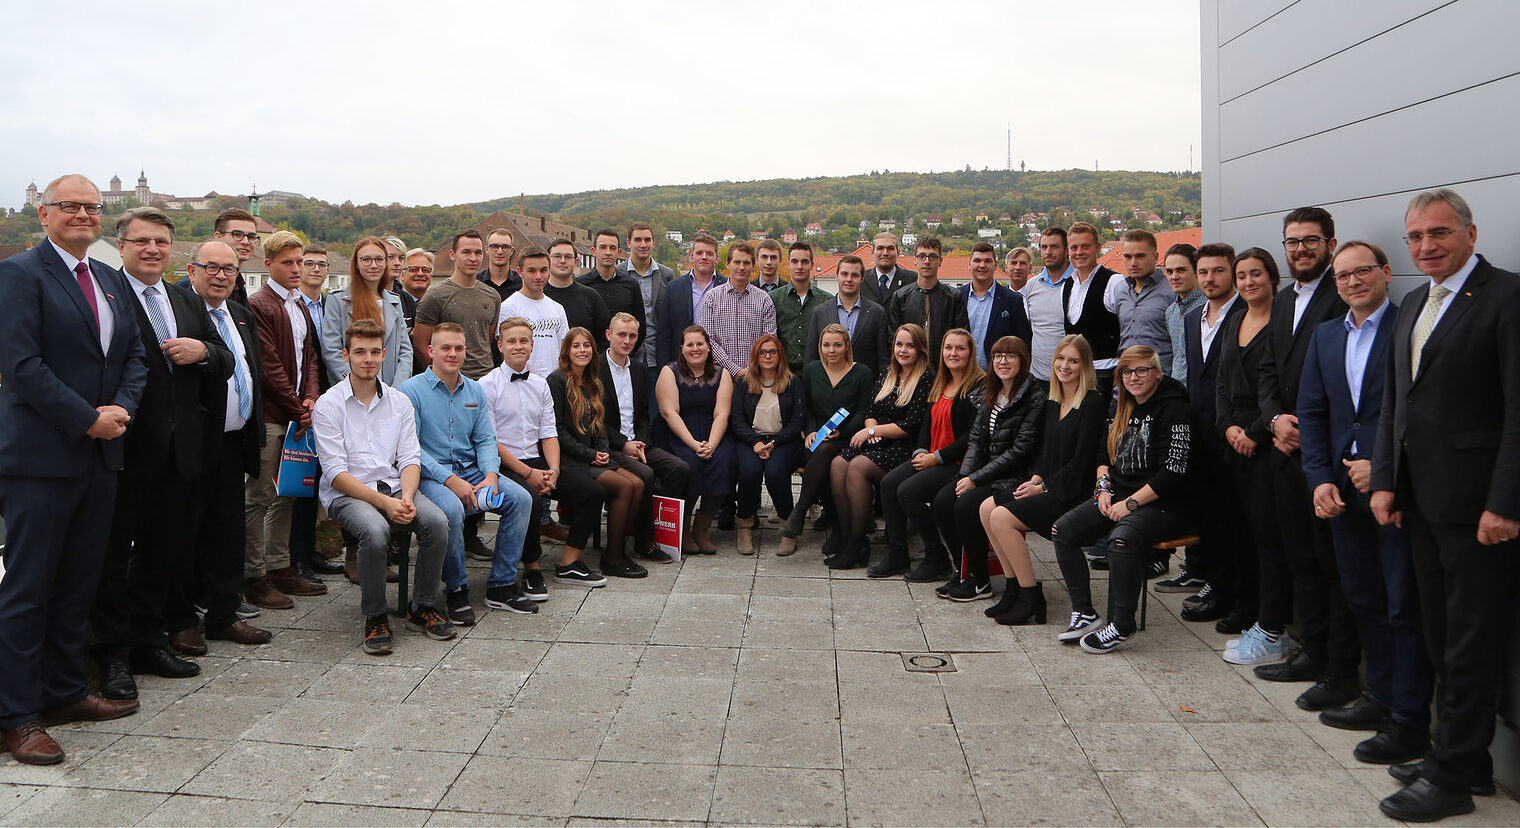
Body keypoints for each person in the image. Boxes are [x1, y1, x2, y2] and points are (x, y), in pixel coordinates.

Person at [1372, 189, 1520, 822]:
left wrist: (1506, 502)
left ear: (1470, 232)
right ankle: (1466, 755)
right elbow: (1395, 403)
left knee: (1470, 641)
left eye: (1438, 233)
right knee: (1438, 633)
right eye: (1415, 237)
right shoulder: (1412, 303)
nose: (1426, 246)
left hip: (1479, 510)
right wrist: (1386, 481)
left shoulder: (1508, 298)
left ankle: (1454, 777)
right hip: (1421, 502)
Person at [0, 175, 147, 765]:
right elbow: (20, 365)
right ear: (44, 214)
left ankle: (62, 692)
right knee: (29, 588)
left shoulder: (110, 279)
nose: (84, 214)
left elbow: (134, 355)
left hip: (100, 457)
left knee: (77, 584)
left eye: (91, 206)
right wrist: (87, 417)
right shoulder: (19, 275)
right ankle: (16, 715)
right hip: (41, 459)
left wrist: (123, 410)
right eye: (71, 206)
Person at [1298, 241, 1432, 768]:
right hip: (1339, 492)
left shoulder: (1409, 328)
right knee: (1364, 600)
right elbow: (1313, 412)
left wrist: (1385, 466)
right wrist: (1317, 479)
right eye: (1343, 276)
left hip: (1393, 491)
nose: (1353, 282)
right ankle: (1379, 697)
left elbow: (1420, 413)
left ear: (1385, 273)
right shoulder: (1327, 335)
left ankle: (1409, 717)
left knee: (1404, 606)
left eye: (1363, 272)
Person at [91, 207, 232, 700]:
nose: (152, 249)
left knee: (161, 551)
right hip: (124, 448)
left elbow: (224, 356)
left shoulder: (183, 299)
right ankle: (110, 653)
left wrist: (204, 353)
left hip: (180, 450)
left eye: (161, 242)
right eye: (142, 241)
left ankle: (149, 639)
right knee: (114, 555)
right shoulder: (105, 297)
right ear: (122, 245)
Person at [1253, 207, 1358, 707]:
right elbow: (1268, 370)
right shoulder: (1282, 300)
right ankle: (1311, 652)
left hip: (1327, 456)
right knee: (1301, 560)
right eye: (1292, 242)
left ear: (1330, 245)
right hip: (1284, 450)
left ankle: (1341, 670)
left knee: (1333, 564)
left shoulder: (1345, 298)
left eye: (1310, 241)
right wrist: (1275, 420)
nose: (1299, 250)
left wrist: (1305, 427)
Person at [313, 320, 455, 656]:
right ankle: (375, 616)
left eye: (374, 352)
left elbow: (409, 458)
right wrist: (385, 504)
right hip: (347, 493)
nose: (368, 359)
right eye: (360, 352)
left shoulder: (399, 402)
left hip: (394, 486)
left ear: (384, 354)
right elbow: (335, 473)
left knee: (436, 521)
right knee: (375, 530)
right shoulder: (329, 404)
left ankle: (421, 606)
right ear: (346, 355)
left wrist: (405, 497)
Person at [1051, 346, 1195, 654]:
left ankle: (1121, 624)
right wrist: (1103, 490)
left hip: (1166, 503)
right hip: (1117, 496)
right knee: (1063, 530)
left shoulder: (1175, 410)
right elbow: (1103, 456)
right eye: (1127, 372)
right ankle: (1085, 613)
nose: (1134, 377)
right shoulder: (1123, 407)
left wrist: (1130, 504)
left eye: (1142, 370)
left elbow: (1174, 473)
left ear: (1157, 373)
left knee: (1121, 541)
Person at [400, 323, 535, 622]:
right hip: (431, 476)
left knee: (521, 500)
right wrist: (451, 481)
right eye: (446, 348)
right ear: (431, 351)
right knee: (451, 510)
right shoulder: (409, 392)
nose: (453, 354)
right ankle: (456, 588)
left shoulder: (474, 390)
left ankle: (500, 585)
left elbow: (485, 438)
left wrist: (490, 474)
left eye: (459, 348)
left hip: (472, 471)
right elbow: (411, 449)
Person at [175, 241, 273, 652]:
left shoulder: (240, 315)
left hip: (234, 442)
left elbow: (252, 374)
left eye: (229, 269)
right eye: (211, 267)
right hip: (193, 443)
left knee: (226, 533)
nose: (220, 276)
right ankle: (180, 621)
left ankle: (223, 614)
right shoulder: (177, 311)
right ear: (191, 269)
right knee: (183, 533)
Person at [983, 335, 1105, 625]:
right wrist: (1036, 477)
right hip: (1047, 484)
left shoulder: (1092, 404)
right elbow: (1043, 452)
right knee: (986, 508)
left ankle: (1030, 596)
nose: (1065, 366)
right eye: (1061, 359)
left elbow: (1082, 462)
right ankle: (1013, 588)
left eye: (1073, 360)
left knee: (1002, 518)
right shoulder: (1053, 401)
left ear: (1084, 365)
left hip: (1072, 492)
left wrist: (1043, 487)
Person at [1165, 243, 1245, 625]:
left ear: (1232, 273)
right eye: (1205, 272)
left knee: (1236, 519)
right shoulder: (1192, 316)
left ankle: (1239, 597)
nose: (1210, 278)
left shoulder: (1246, 315)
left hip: (1233, 434)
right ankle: (1217, 585)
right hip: (1200, 431)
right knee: (1209, 516)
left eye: (1219, 271)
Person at [244, 230, 325, 609]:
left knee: (289, 493)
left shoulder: (300, 305)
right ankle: (253, 575)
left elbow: (309, 357)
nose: (297, 269)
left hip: (297, 414)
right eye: (288, 263)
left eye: (301, 262)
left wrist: (310, 397)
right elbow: (267, 365)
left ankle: (280, 567)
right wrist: (297, 406)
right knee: (258, 496)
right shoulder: (259, 304)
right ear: (269, 265)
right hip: (273, 416)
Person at [936, 335, 1045, 601]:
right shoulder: (990, 391)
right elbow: (976, 439)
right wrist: (965, 476)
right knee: (943, 500)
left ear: (1023, 360)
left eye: (1010, 356)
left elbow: (1020, 452)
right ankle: (964, 572)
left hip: (1014, 475)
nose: (1002, 361)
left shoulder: (1035, 397)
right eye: (997, 356)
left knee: (965, 506)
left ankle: (980, 580)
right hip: (986, 470)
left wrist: (975, 479)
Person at [479, 317, 575, 603]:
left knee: (587, 488)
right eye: (511, 341)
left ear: (532, 345)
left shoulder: (540, 385)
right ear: (500, 346)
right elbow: (489, 441)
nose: (518, 346)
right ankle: (531, 567)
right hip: (504, 463)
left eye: (524, 341)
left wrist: (554, 470)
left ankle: (571, 562)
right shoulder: (487, 385)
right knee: (530, 498)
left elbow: (548, 432)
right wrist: (530, 473)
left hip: (539, 459)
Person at [1216, 249, 1283, 656]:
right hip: (1232, 438)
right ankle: (1246, 605)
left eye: (1256, 274)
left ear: (1273, 277)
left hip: (1265, 440)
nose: (1248, 282)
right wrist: (1227, 427)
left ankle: (1270, 620)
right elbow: (1222, 381)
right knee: (1236, 530)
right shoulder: (1236, 319)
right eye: (1242, 275)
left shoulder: (1283, 322)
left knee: (1267, 536)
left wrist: (1253, 433)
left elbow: (1279, 385)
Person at [876, 329, 984, 580]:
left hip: (958, 461)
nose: (953, 353)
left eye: (960, 348)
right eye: (948, 348)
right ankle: (897, 553)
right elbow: (927, 422)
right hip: (931, 456)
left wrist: (937, 457)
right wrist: (922, 450)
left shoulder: (979, 385)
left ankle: (936, 556)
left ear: (970, 352)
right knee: (889, 483)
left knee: (908, 491)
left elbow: (973, 436)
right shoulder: (941, 381)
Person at [826, 324, 934, 569]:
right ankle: (848, 536)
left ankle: (856, 544)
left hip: (903, 446)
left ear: (920, 349)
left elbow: (912, 425)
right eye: (899, 344)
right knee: (838, 464)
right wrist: (871, 426)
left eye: (909, 345)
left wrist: (873, 431)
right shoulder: (888, 373)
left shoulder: (926, 378)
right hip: (878, 442)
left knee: (857, 467)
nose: (903, 350)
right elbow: (870, 409)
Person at [549, 328, 643, 582]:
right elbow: (556, 430)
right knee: (624, 487)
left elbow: (599, 426)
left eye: (587, 345)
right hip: (569, 459)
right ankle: (612, 558)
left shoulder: (593, 382)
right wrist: (590, 454)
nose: (582, 350)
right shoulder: (557, 380)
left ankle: (617, 552)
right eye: (576, 346)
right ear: (567, 351)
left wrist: (602, 450)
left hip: (591, 455)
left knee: (637, 483)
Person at [600, 312, 690, 566]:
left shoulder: (639, 370)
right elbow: (595, 422)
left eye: (631, 336)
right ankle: (644, 541)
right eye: (621, 335)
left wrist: (639, 440)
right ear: (609, 335)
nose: (626, 341)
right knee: (645, 474)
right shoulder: (594, 369)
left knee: (678, 469)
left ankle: (661, 530)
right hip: (611, 445)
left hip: (637, 443)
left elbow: (642, 415)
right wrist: (623, 444)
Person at [777, 324, 873, 557]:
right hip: (817, 437)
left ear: (847, 346)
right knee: (821, 456)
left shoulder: (861, 372)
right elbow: (807, 407)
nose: (832, 350)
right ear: (820, 347)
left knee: (826, 454)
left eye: (837, 345)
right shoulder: (812, 370)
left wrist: (843, 431)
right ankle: (838, 528)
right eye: (826, 345)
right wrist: (810, 431)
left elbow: (864, 410)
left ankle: (800, 513)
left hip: (849, 438)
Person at [657, 325, 736, 555]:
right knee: (689, 464)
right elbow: (669, 412)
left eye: (700, 344)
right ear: (681, 349)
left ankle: (702, 528)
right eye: (689, 345)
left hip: (713, 431)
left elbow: (722, 413)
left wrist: (711, 444)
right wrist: (694, 444)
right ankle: (683, 528)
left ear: (709, 347)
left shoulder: (722, 374)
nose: (695, 349)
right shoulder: (669, 372)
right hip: (679, 432)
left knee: (724, 461)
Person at [729, 335, 805, 555]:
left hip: (783, 441)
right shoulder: (744, 382)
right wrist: (754, 442)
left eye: (773, 352)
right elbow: (737, 419)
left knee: (775, 472)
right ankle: (744, 525)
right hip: (750, 440)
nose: (768, 356)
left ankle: (788, 527)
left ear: (780, 355)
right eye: (763, 352)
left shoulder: (792, 382)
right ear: (755, 356)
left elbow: (797, 420)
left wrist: (774, 443)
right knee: (750, 471)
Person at [322, 236, 413, 386]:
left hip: (391, 392)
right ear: (356, 264)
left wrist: (397, 389)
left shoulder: (394, 302)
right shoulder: (338, 301)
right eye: (366, 260)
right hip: (352, 391)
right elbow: (331, 350)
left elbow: (405, 351)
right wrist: (357, 384)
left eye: (379, 259)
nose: (373, 265)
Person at [413, 229, 499, 381]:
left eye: (478, 253)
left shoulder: (493, 297)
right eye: (466, 252)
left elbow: (486, 339)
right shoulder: (435, 296)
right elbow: (421, 347)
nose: (473, 258)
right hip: (450, 381)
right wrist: (441, 377)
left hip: (487, 380)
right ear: (453, 254)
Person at [616, 222, 674, 407]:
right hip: (627, 352)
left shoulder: (666, 275)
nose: (643, 244)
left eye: (647, 239)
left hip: (656, 355)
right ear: (628, 242)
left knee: (655, 407)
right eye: (638, 239)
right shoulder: (618, 274)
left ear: (653, 242)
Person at [699, 241, 776, 376]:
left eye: (746, 263)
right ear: (728, 264)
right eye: (737, 262)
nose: (741, 267)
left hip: (756, 375)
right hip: (719, 375)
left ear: (753, 266)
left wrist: (750, 370)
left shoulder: (764, 300)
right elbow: (708, 339)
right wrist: (735, 371)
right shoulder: (712, 298)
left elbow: (768, 340)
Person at [884, 237, 969, 358]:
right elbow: (893, 338)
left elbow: (962, 337)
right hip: (910, 368)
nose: (927, 261)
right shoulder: (900, 297)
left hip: (944, 368)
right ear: (915, 260)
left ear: (940, 261)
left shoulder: (953, 297)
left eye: (933, 257)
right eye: (921, 256)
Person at [805, 255, 889, 374]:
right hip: (829, 386)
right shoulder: (820, 312)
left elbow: (883, 359)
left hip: (866, 387)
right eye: (844, 274)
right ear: (837, 276)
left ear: (862, 278)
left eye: (854, 275)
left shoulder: (877, 313)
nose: (849, 279)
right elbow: (811, 357)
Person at [1063, 222, 1121, 392]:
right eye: (1074, 248)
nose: (1079, 252)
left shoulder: (1114, 283)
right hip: (1075, 374)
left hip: (1106, 373)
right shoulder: (1066, 287)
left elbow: (1128, 330)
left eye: (1085, 246)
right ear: (1068, 251)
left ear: (1098, 247)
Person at [498, 246, 569, 378]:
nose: (538, 276)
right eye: (532, 271)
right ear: (520, 271)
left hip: (554, 384)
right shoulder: (508, 307)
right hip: (523, 381)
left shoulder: (558, 308)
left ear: (549, 271)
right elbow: (506, 353)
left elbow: (564, 351)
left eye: (543, 270)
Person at [960, 242, 1032, 370]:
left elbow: (1023, 344)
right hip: (962, 375)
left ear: (995, 265)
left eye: (988, 261)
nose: (982, 265)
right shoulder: (957, 297)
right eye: (977, 260)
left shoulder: (1012, 300)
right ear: (969, 265)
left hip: (998, 378)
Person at [1112, 229, 1175, 374]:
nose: (1133, 263)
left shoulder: (1171, 293)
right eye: (1128, 256)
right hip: (1126, 383)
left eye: (1140, 256)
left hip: (1160, 383)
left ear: (1155, 257)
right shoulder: (1122, 294)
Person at [657, 234, 722, 368]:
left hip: (718, 364)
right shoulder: (673, 288)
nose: (704, 257)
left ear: (717, 258)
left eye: (709, 253)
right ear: (692, 257)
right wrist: (665, 368)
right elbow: (664, 333)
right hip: (681, 364)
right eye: (699, 253)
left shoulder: (727, 287)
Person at [579, 229, 647, 353]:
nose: (608, 252)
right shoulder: (580, 285)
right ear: (593, 251)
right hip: (588, 359)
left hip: (622, 359)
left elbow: (640, 327)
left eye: (612, 248)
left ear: (619, 252)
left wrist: (627, 353)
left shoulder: (631, 285)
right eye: (603, 247)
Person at [1025, 227, 1076, 381]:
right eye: (1044, 247)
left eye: (1054, 247)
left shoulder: (1078, 283)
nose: (1048, 252)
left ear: (1066, 250)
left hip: (1070, 376)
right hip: (1038, 377)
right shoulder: (1032, 285)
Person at [774, 241, 832, 374]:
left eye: (804, 262)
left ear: (812, 265)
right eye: (794, 261)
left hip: (817, 373)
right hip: (782, 373)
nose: (799, 266)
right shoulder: (774, 299)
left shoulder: (827, 301)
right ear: (788, 264)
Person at [545, 239, 611, 351]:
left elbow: (605, 338)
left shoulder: (591, 297)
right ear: (547, 260)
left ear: (576, 262)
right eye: (557, 256)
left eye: (568, 257)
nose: (562, 261)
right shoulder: (537, 296)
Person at [1162, 243, 1206, 386]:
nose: (1174, 277)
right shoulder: (1170, 312)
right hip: (1177, 393)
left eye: (1181, 270)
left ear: (1196, 270)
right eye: (1169, 271)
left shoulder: (1209, 307)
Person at [211, 207, 259, 307]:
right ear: (218, 237)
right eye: (237, 234)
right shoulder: (194, 287)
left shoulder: (239, 289)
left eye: (251, 237)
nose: (245, 242)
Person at [400, 248, 433, 372]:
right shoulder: (395, 304)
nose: (420, 274)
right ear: (402, 275)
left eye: (425, 270)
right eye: (413, 269)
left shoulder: (437, 305)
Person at [861, 232, 916, 305]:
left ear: (898, 252)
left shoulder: (913, 280)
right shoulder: (861, 280)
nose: (885, 253)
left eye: (890, 248)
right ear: (872, 252)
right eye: (880, 248)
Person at [482, 228, 520, 302]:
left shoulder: (522, 284)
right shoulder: (476, 283)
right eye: (494, 246)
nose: (500, 251)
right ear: (486, 249)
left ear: (511, 251)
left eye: (505, 247)